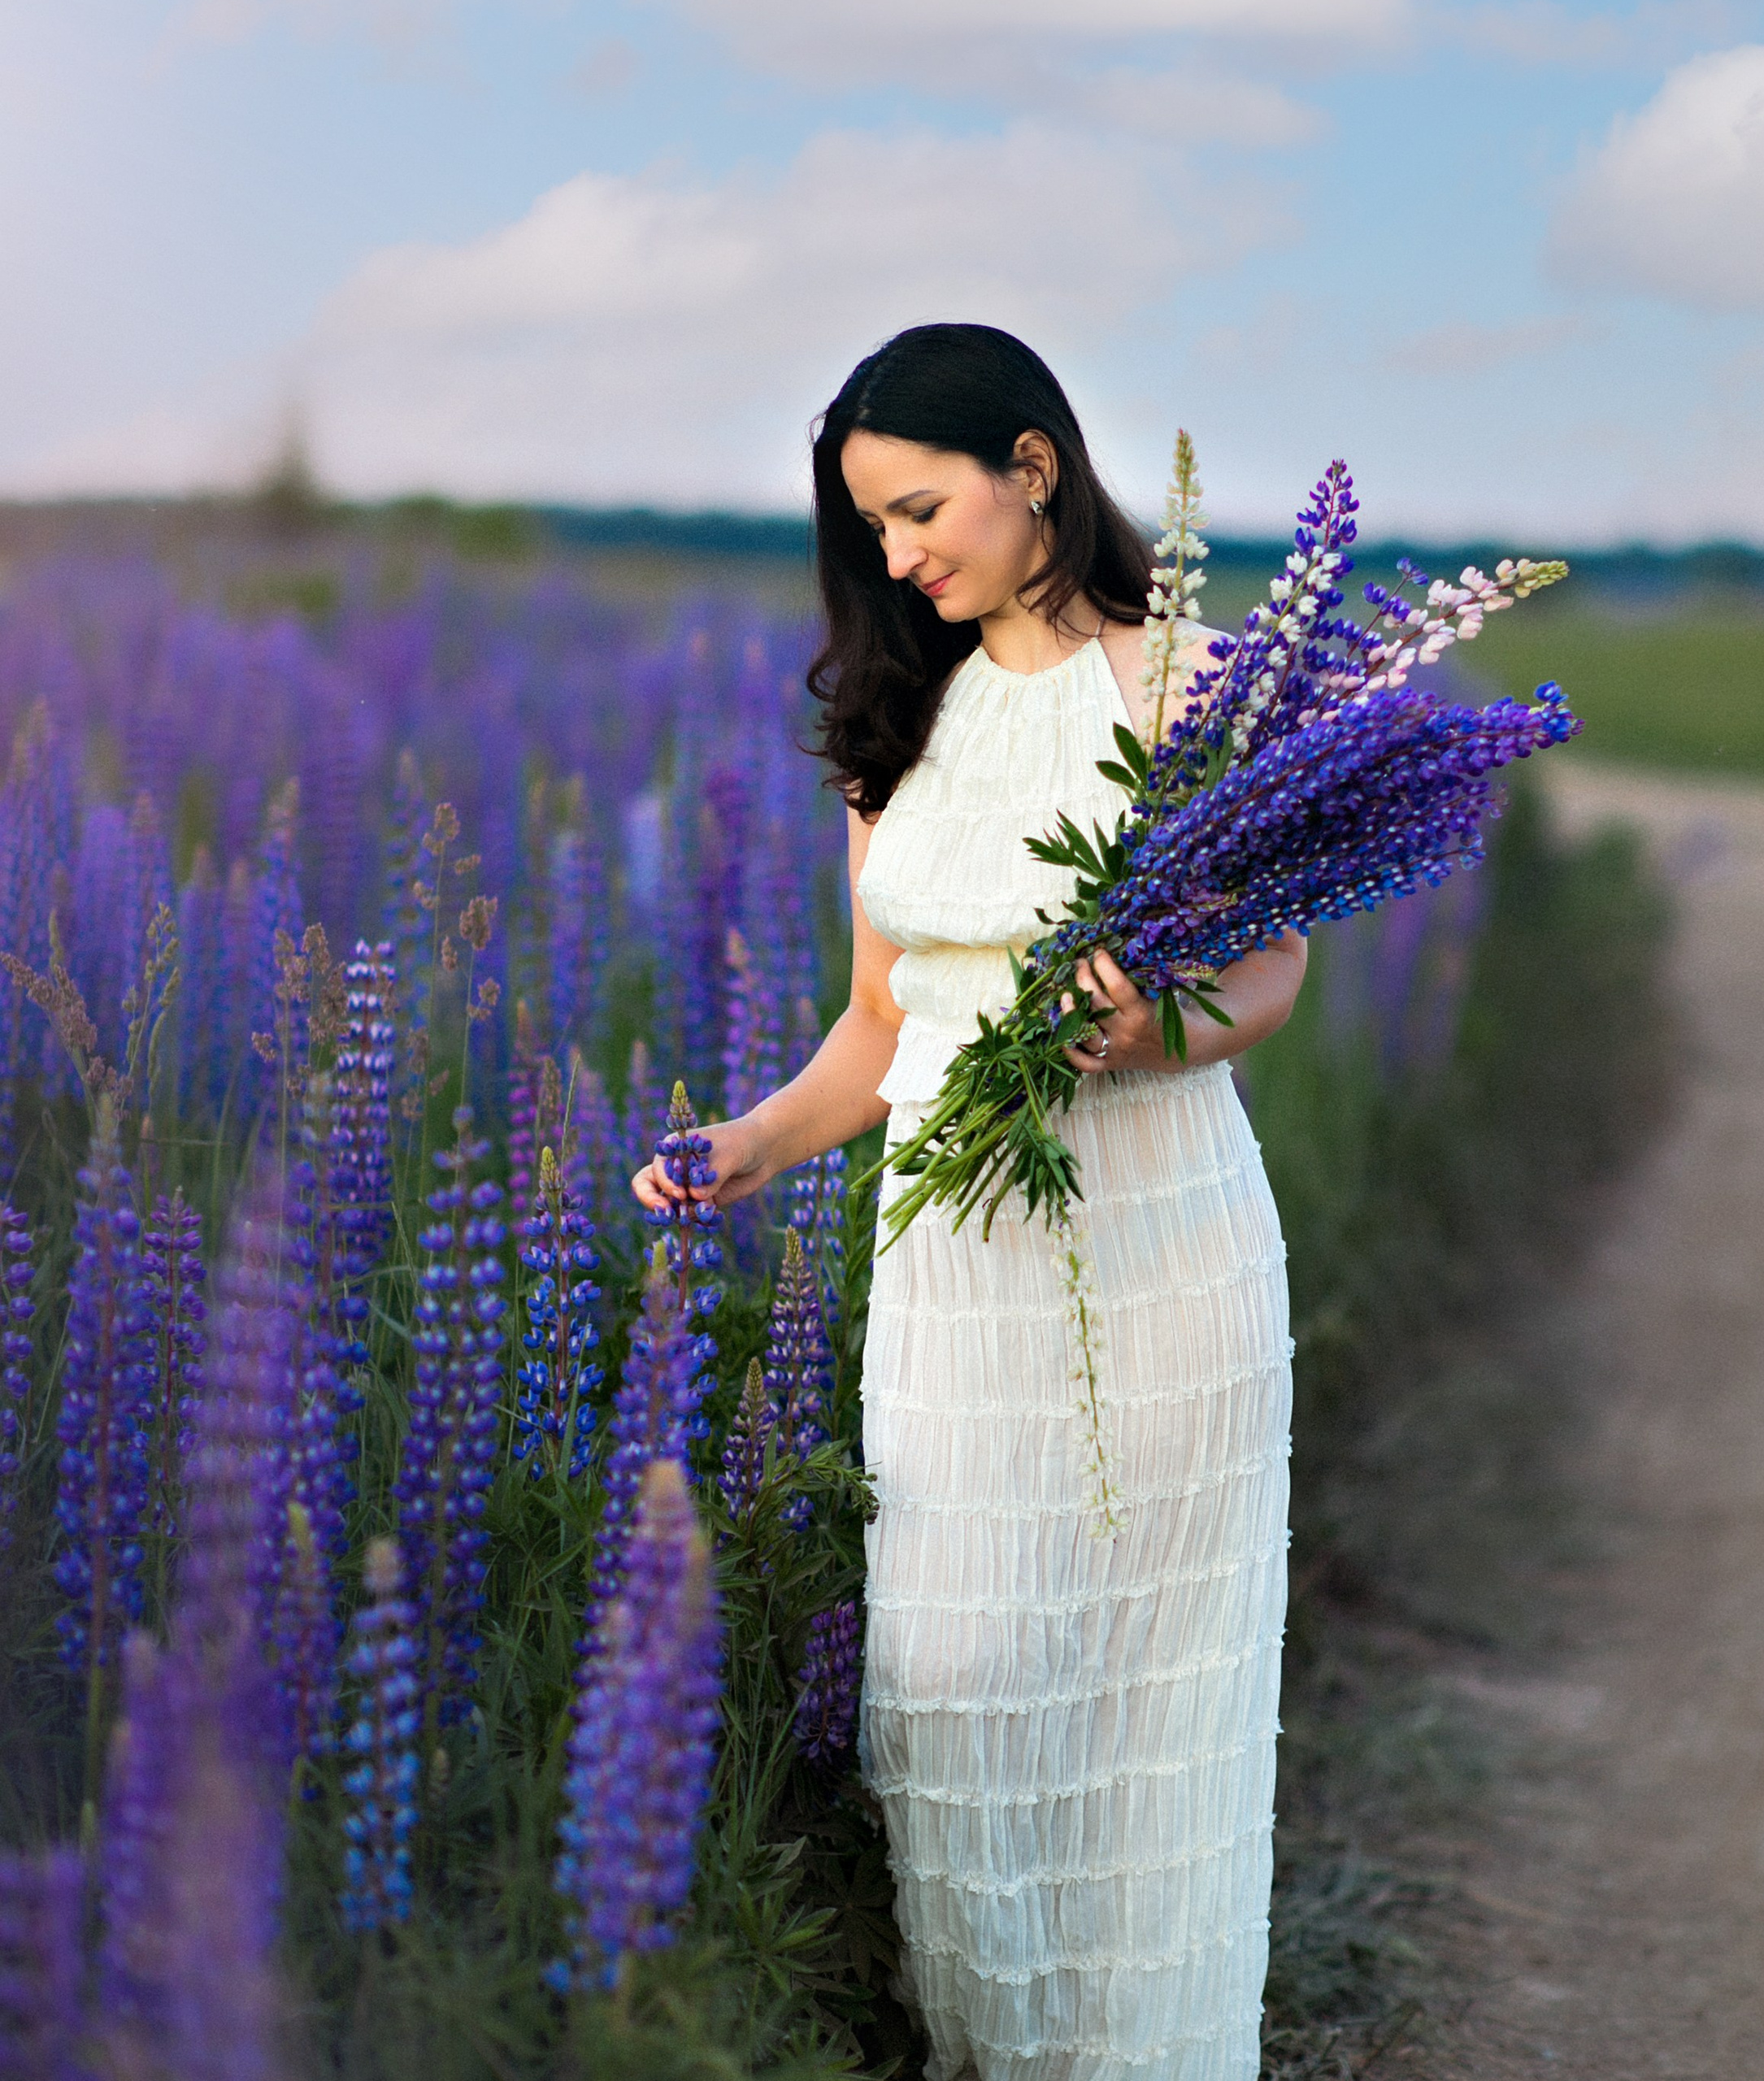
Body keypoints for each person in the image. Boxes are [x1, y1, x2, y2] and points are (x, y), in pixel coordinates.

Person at [633, 322, 1301, 2080]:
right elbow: (875, 1026)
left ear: (1030, 466)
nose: (896, 558)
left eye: (916, 509)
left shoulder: (1188, 681)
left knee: (1149, 1696)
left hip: (1162, 1242)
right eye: (868, 533)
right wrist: (740, 1146)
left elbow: (1277, 970)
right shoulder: (891, 719)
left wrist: (1147, 1026)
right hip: (957, 1270)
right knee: (955, 1694)